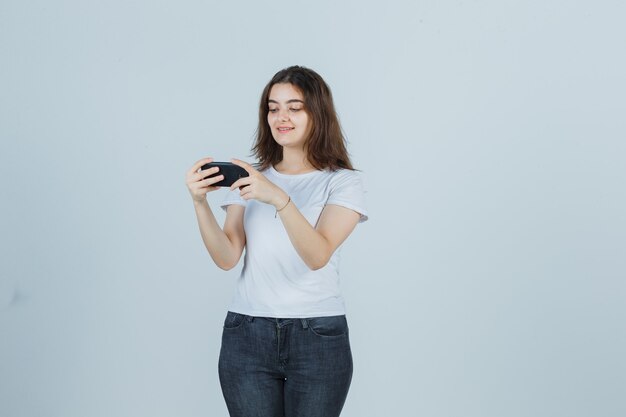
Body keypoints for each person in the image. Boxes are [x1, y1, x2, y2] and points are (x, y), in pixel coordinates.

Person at [185, 65, 368, 417]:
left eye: (294, 107)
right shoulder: (250, 179)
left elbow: (317, 255)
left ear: (318, 113)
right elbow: (227, 257)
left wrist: (279, 198)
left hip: (317, 336)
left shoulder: (342, 183)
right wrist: (199, 203)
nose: (281, 117)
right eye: (273, 107)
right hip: (247, 333)